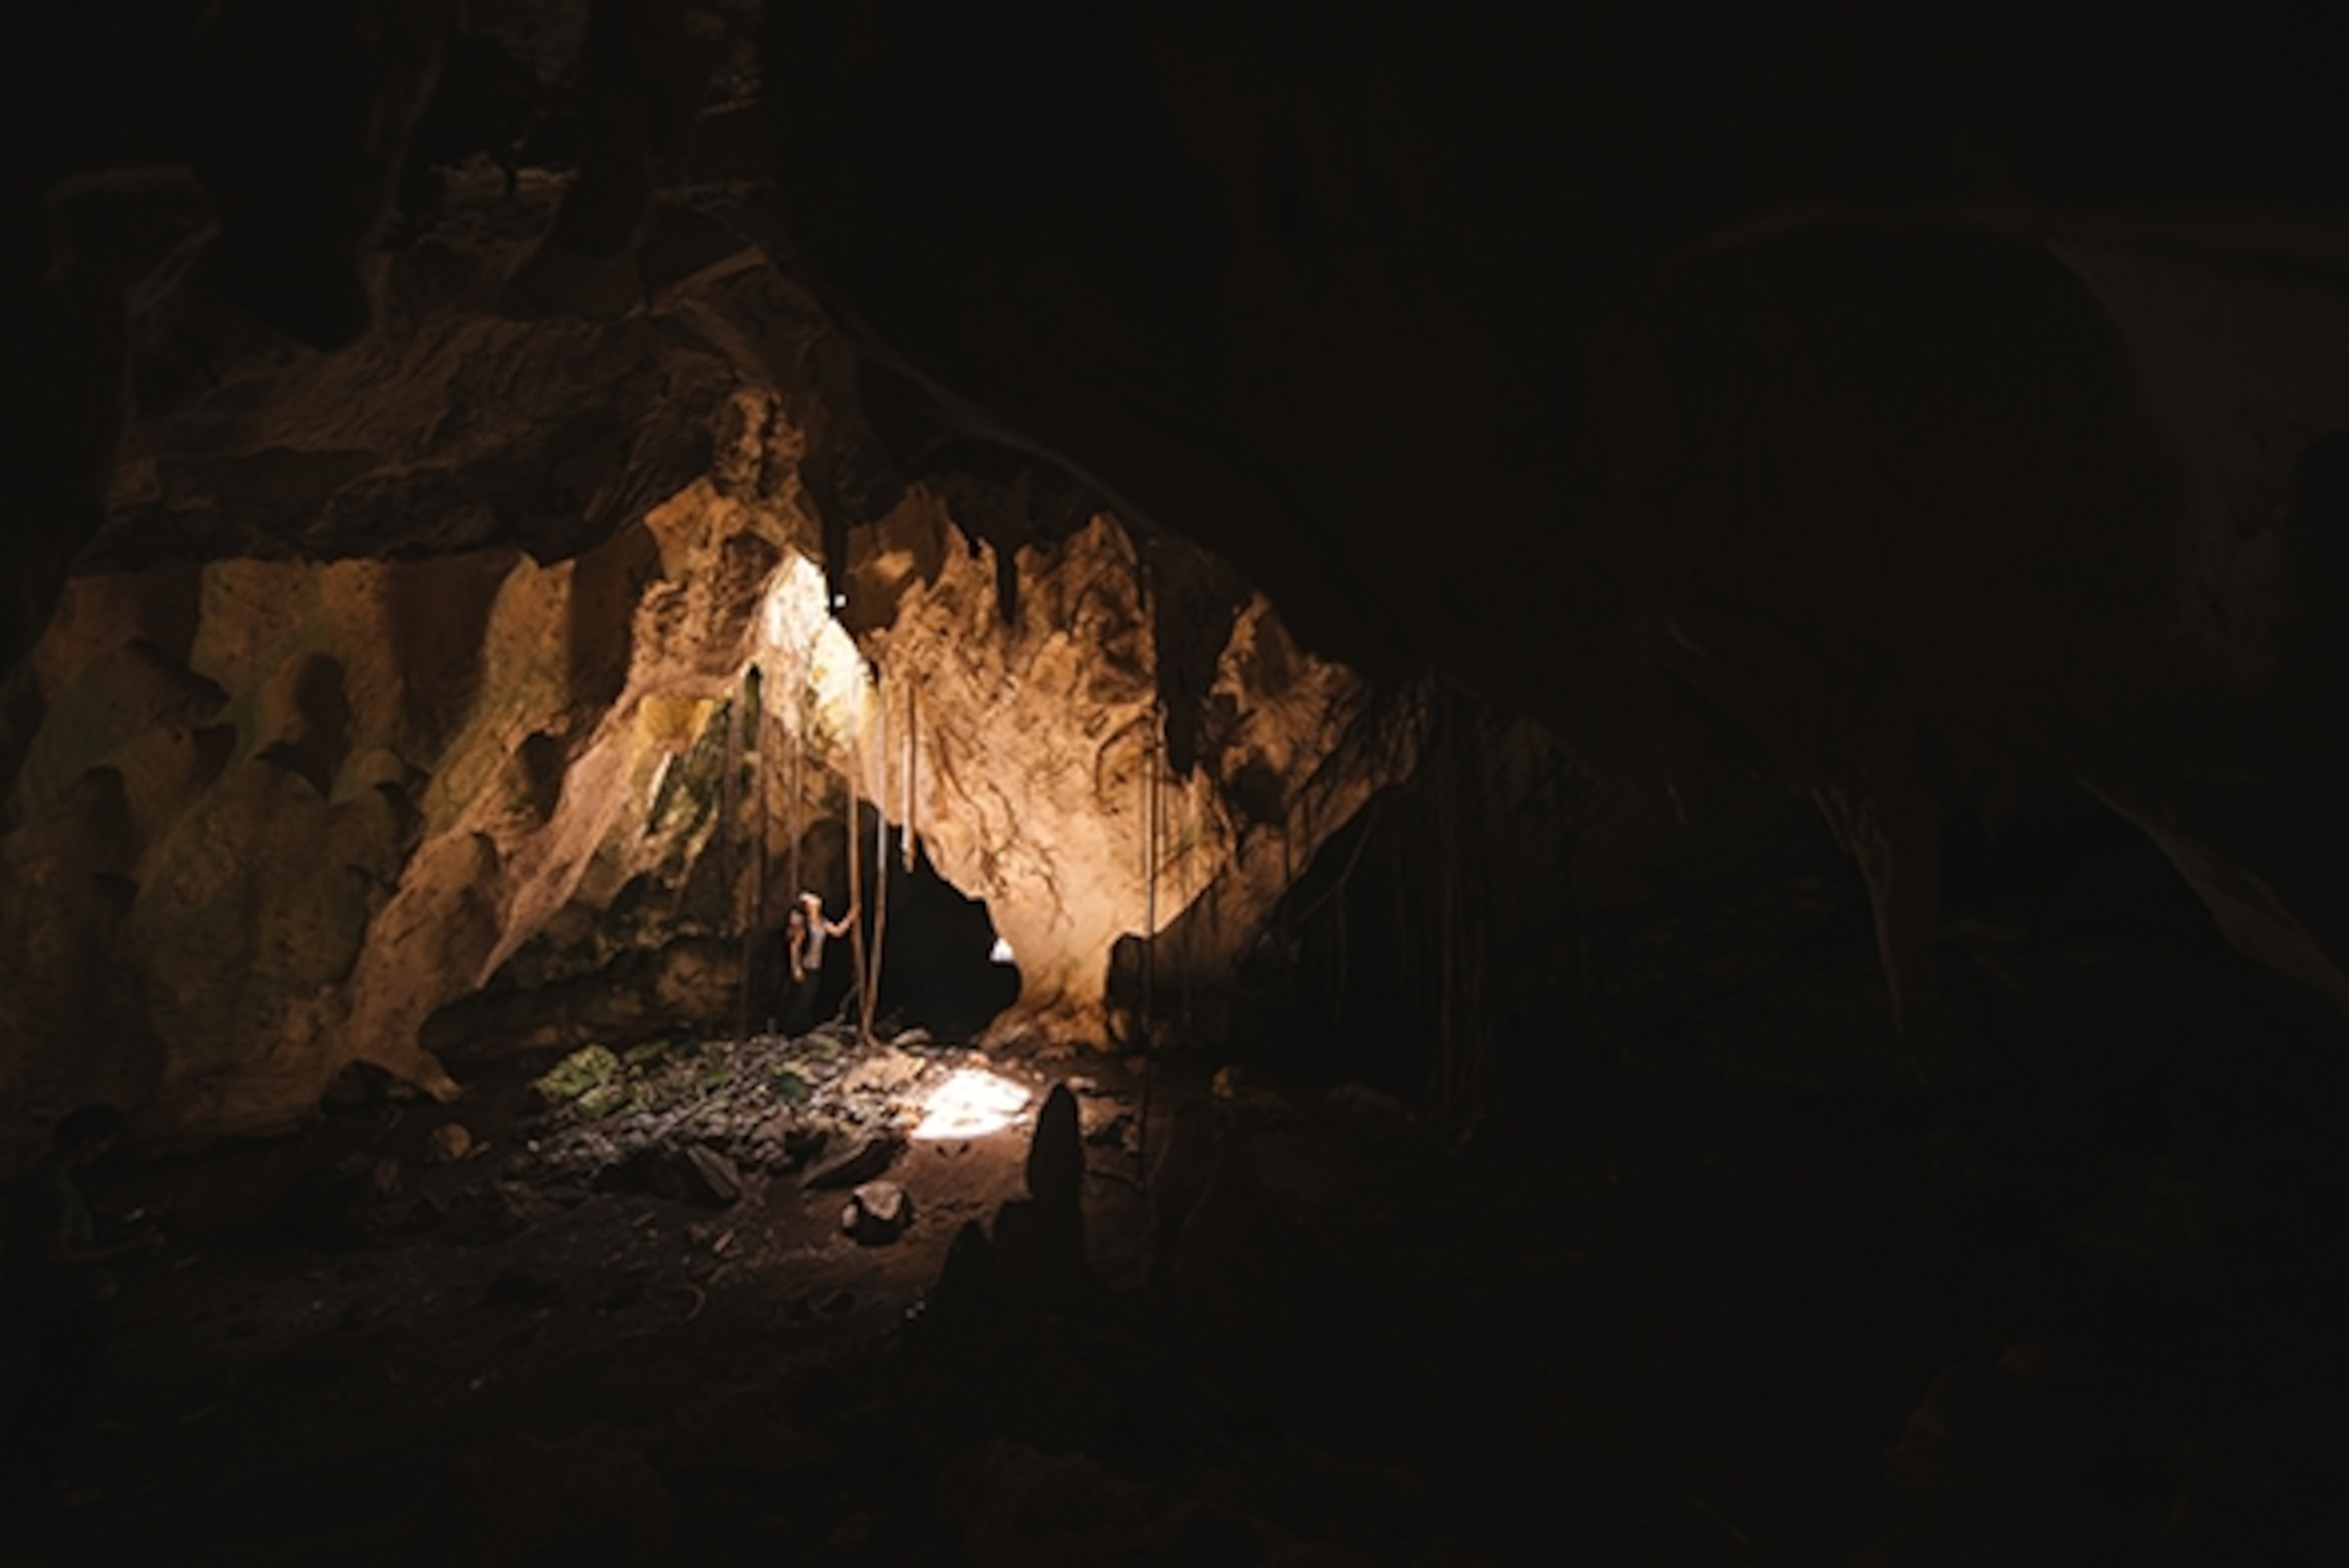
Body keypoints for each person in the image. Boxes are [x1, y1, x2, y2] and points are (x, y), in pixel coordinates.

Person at [2, 1104, 161, 1536]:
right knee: (60, 1393)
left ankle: (30, 1480)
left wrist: (114, 1230)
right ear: (88, 1140)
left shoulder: (47, 1179)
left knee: (54, 1390)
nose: (105, 1151)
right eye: (104, 1142)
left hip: (66, 1303)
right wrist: (127, 1251)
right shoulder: (51, 1188)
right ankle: (39, 1489)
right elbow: (55, 1258)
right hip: (72, 1304)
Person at [779, 891, 856, 1035]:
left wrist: (851, 917)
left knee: (809, 998)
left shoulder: (821, 921)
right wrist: (796, 968)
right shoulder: (803, 924)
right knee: (800, 999)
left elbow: (837, 931)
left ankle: (802, 1028)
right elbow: (794, 947)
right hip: (805, 965)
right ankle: (792, 1030)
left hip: (816, 965)